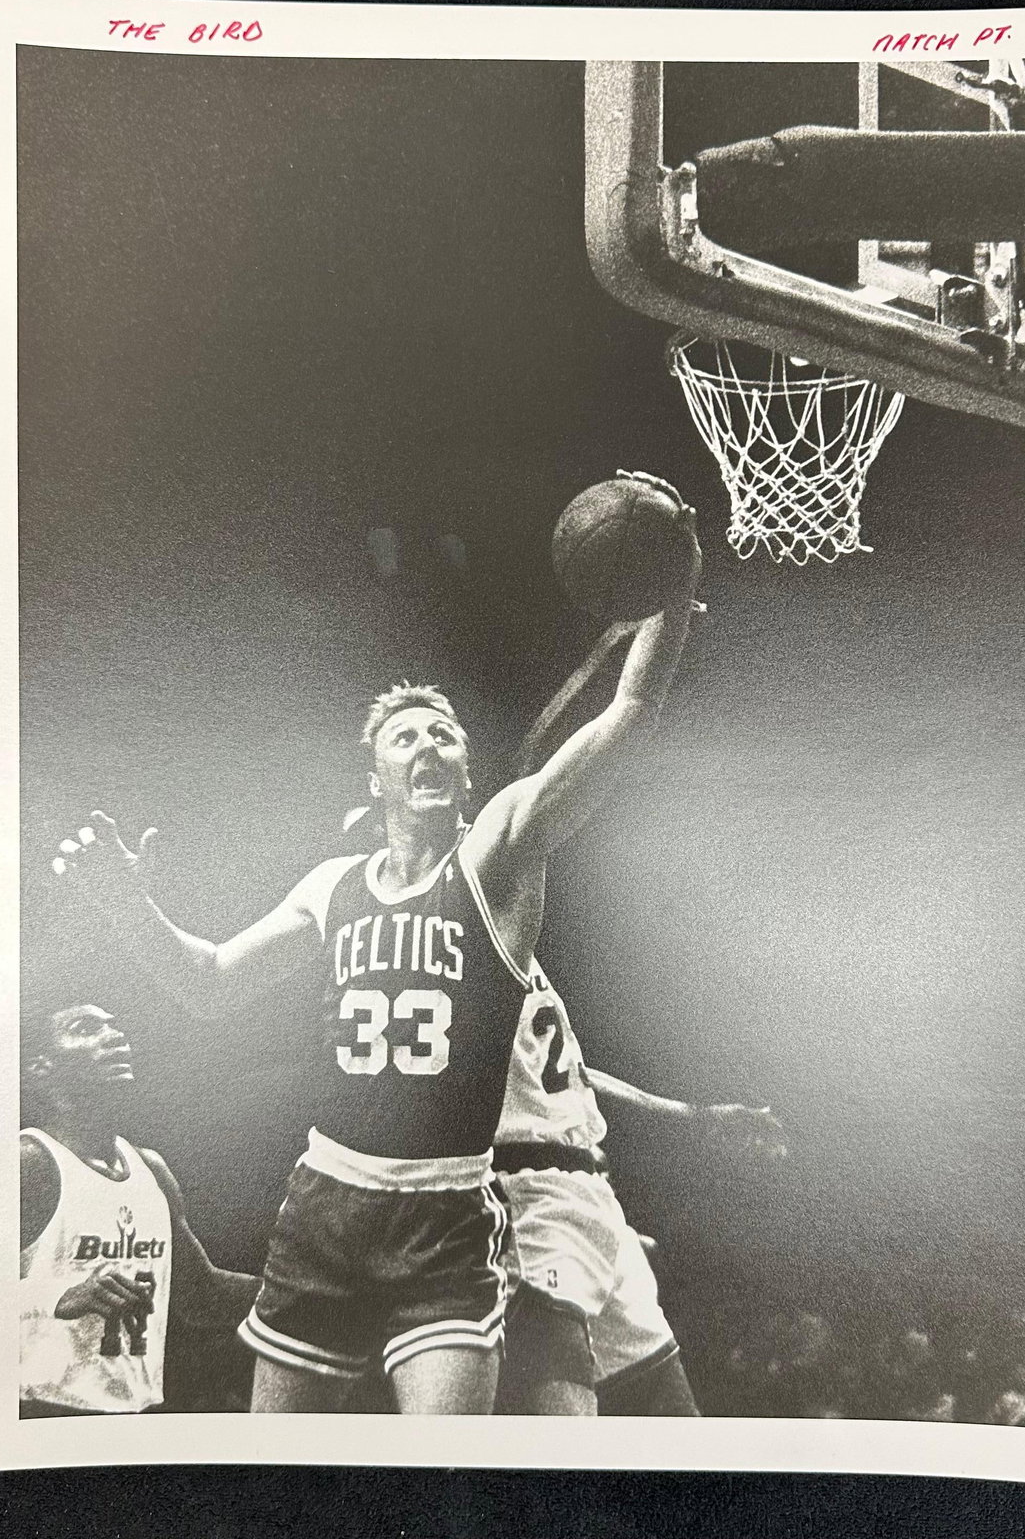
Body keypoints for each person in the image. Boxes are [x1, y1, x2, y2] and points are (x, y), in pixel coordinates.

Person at [52, 472, 702, 1415]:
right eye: (407, 736)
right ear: (379, 776)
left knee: (446, 1479)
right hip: (327, 1200)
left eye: (444, 733)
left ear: (466, 770)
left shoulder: (499, 858)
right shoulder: (330, 886)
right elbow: (208, 981)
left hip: (448, 1210)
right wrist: (125, 908)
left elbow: (627, 714)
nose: (430, 744)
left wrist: (672, 589)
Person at [494, 971, 787, 1416]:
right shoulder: (459, 934)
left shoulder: (519, 948)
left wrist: (691, 1115)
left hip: (592, 1193)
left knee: (675, 1427)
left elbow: (573, 1072)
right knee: (564, 1445)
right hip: (526, 1191)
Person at [20, 1001, 259, 1417]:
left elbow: (200, 1295)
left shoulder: (151, 1168)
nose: (115, 1036)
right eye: (86, 1028)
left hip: (134, 1411)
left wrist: (306, 1289)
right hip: (38, 1409)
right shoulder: (29, 1162)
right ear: (41, 1068)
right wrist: (60, 1295)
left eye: (115, 1026)